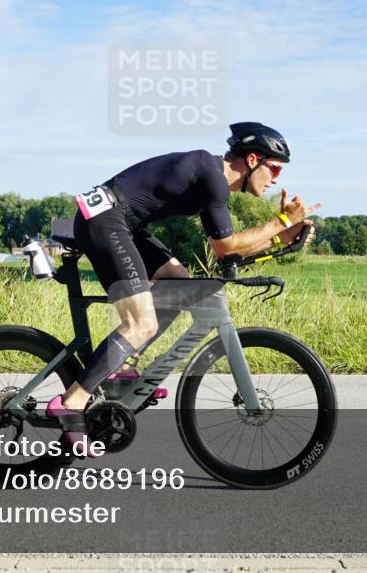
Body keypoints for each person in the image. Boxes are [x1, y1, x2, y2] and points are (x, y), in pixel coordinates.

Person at [46, 122, 319, 447]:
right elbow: (227, 247)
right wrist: (280, 223)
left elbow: (227, 253)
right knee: (140, 324)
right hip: (105, 220)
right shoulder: (212, 177)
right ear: (251, 161)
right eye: (273, 168)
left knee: (181, 286)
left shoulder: (211, 180)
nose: (276, 178)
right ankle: (72, 401)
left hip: (120, 221)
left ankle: (121, 368)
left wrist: (282, 238)